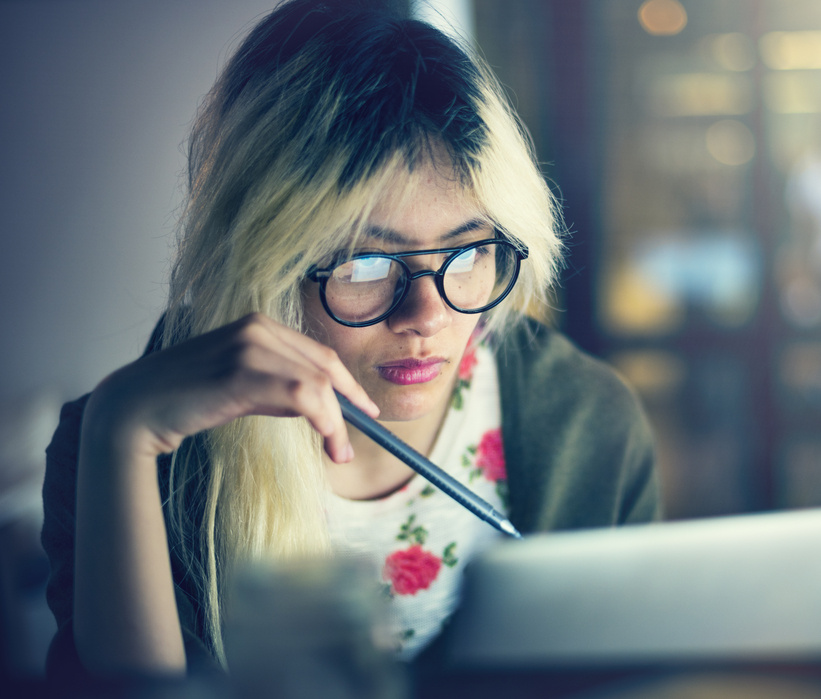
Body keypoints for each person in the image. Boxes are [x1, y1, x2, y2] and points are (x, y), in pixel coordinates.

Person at [41, 0, 660, 680]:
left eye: (467, 252)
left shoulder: (585, 418)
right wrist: (121, 435)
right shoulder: (114, 448)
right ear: (261, 262)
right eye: (365, 264)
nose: (426, 315)